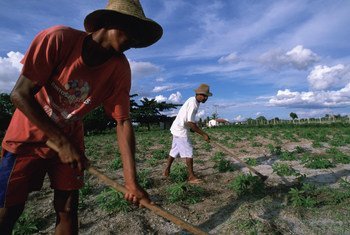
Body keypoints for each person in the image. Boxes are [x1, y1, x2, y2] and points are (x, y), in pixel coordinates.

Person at [0, 0, 162, 234]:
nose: (135, 41)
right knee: (10, 209)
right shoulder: (58, 39)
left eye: (139, 37)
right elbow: (19, 94)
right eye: (132, 31)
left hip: (70, 140)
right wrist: (61, 142)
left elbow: (123, 121)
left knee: (67, 209)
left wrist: (131, 182)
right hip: (26, 138)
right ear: (108, 23)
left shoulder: (119, 69)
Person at [163, 84, 212, 184]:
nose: (206, 98)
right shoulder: (193, 104)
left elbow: (189, 120)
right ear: (201, 95)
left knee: (174, 151)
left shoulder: (193, 100)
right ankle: (191, 176)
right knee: (189, 152)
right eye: (205, 96)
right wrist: (203, 134)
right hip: (181, 130)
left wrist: (193, 128)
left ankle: (166, 171)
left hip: (177, 128)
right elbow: (190, 122)